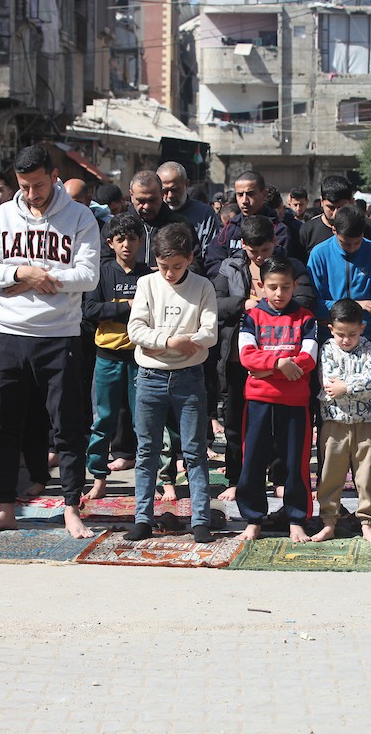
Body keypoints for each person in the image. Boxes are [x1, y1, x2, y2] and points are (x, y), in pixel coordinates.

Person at [0, 145, 101, 538]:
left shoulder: (79, 217)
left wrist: (41, 278)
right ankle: (5, 508)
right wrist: (21, 274)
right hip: (10, 335)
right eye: (25, 186)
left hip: (59, 336)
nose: (32, 194)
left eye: (39, 185)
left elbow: (89, 276)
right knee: (4, 425)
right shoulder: (2, 217)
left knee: (67, 427)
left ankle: (71, 507)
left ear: (54, 176)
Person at [124, 223, 217, 543]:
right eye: (163, 266)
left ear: (190, 258)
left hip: (189, 377)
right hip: (150, 377)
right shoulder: (146, 284)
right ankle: (142, 517)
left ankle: (201, 518)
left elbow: (209, 333)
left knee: (194, 450)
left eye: (176, 266)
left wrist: (161, 344)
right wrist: (171, 342)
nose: (169, 273)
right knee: (146, 450)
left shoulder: (203, 286)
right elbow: (135, 330)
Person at [214, 215, 317, 501]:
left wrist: (273, 367)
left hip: (286, 356)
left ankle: (280, 477)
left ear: (275, 242)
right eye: (253, 251)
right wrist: (245, 304)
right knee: (237, 423)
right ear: (243, 245)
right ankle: (237, 478)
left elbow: (306, 301)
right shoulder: (230, 267)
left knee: (282, 429)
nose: (259, 257)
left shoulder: (291, 267)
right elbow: (215, 302)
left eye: (265, 250)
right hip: (239, 355)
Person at [236, 257, 319, 542]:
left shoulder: (306, 318)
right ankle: (253, 519)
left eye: (285, 287)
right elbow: (247, 356)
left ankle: (296, 518)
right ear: (261, 286)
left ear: (295, 285)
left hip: (294, 402)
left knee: (297, 462)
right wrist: (281, 364)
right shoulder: (252, 317)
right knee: (253, 460)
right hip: (258, 401)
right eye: (272, 287)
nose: (279, 293)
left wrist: (268, 369)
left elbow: (308, 359)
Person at [83, 214, 150, 501]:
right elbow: (90, 310)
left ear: (141, 241)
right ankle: (98, 477)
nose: (126, 245)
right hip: (107, 356)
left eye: (132, 239)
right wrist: (127, 307)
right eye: (120, 239)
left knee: (143, 422)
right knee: (103, 420)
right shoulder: (100, 273)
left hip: (141, 357)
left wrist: (119, 309)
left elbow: (152, 311)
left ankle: (150, 479)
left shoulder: (149, 276)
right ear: (110, 243)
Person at [313, 299, 371, 544]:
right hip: (334, 421)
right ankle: (328, 521)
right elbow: (329, 383)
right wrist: (356, 385)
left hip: (367, 422)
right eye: (341, 334)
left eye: (352, 334)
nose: (346, 340)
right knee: (330, 474)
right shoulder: (327, 349)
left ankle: (367, 522)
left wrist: (346, 387)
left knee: (366, 474)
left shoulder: (370, 349)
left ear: (362, 328)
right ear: (331, 329)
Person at [307, 205, 371, 342]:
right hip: (330, 339)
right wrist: (356, 306)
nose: (352, 248)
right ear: (334, 230)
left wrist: (339, 318)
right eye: (345, 243)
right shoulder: (319, 254)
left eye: (357, 243)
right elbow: (314, 304)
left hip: (366, 338)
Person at [205, 172, 289, 276]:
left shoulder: (278, 230)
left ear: (264, 195)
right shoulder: (230, 229)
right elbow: (213, 261)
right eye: (240, 195)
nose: (244, 200)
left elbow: (280, 266)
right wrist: (231, 280)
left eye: (250, 194)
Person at [299, 175, 371, 254]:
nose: (336, 214)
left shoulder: (368, 227)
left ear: (352, 202)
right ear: (321, 202)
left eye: (341, 207)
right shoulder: (308, 231)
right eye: (331, 208)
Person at [158, 161, 220, 260]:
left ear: (186, 184)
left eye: (175, 190)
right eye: (164, 191)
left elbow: (210, 254)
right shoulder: (153, 213)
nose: (170, 196)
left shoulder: (205, 214)